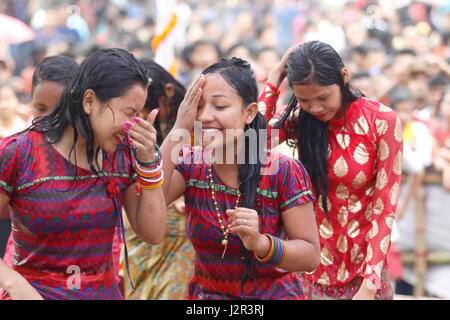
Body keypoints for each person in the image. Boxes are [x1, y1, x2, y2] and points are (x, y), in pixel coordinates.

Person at [0, 48, 167, 300]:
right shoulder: (18, 153)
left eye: (139, 114)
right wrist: (13, 282)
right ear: (89, 101)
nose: (134, 124)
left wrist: (148, 163)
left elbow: (153, 234)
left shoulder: (123, 155)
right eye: (129, 113)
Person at [160, 57, 320, 300]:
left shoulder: (283, 171)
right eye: (198, 107)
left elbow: (309, 256)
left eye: (220, 107)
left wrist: (261, 243)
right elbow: (149, 202)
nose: (204, 117)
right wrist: (179, 127)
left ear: (249, 112)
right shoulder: (190, 163)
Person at [261, 41, 403, 300]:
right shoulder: (298, 119)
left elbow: (385, 206)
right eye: (304, 100)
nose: (315, 108)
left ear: (344, 77)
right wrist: (274, 79)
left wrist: (370, 283)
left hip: (364, 271)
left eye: (323, 97)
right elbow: (250, 145)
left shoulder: (382, 121)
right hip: (309, 267)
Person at [121, 59, 195, 300]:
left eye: (146, 109)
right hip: (142, 220)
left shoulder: (198, 122)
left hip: (181, 230)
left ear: (169, 93)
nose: (142, 118)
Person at [2, 55, 80, 266]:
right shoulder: (15, 151)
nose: (48, 120)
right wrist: (11, 282)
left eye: (58, 110)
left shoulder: (99, 152)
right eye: (40, 108)